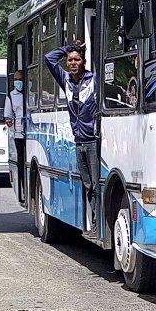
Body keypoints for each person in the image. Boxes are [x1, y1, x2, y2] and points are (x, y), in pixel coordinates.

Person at [44, 42, 100, 234]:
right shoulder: (66, 80)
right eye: (70, 60)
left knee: (95, 185)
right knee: (87, 185)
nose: (73, 63)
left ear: (84, 61)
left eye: (77, 59)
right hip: (79, 143)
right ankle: (93, 224)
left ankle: (96, 225)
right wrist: (68, 47)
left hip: (93, 142)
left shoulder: (94, 80)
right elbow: (49, 59)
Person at [4, 70, 25, 205]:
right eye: (17, 79)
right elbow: (8, 117)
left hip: (32, 133)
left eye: (21, 79)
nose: (19, 82)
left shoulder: (32, 93)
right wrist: (9, 122)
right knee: (21, 162)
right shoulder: (11, 96)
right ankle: (24, 190)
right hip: (19, 134)